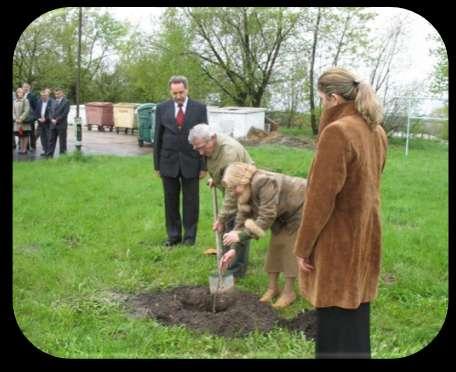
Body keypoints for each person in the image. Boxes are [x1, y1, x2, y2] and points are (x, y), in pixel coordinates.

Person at [293, 67, 388, 359]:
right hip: (365, 232)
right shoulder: (375, 129)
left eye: (322, 99)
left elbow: (320, 199)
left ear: (334, 98)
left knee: (334, 325)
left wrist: (303, 247)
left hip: (337, 239)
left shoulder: (338, 132)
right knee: (357, 315)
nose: (322, 105)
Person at [220, 162, 307, 309]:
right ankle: (273, 289)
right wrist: (233, 249)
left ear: (243, 180)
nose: (234, 192)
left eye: (235, 187)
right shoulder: (244, 190)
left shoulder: (264, 182)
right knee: (275, 248)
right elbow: (242, 218)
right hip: (281, 212)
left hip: (299, 206)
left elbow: (266, 216)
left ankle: (289, 292)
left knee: (289, 248)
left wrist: (241, 236)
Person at [188, 124, 253, 278]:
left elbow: (232, 191)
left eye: (202, 147)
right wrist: (216, 179)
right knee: (227, 228)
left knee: (236, 228)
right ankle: (228, 261)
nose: (201, 152)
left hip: (244, 191)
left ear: (212, 138)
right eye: (196, 149)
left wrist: (221, 218)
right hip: (233, 189)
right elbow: (221, 170)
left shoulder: (229, 152)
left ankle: (235, 270)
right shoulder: (211, 147)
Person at [153, 76, 208, 247]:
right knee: (170, 200)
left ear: (187, 90)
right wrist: (157, 165)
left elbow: (205, 137)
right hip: (168, 161)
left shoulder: (199, 108)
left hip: (191, 161)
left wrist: (203, 165)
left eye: (181, 92)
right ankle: (173, 235)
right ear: (171, 91)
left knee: (191, 201)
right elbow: (158, 137)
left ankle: (190, 237)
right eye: (174, 93)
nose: (178, 96)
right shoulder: (162, 108)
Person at [47, 88, 70, 158]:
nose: (57, 95)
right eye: (56, 94)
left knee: (62, 141)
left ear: (62, 93)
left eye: (58, 93)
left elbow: (65, 113)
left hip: (61, 125)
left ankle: (63, 156)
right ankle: (49, 156)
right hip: (53, 124)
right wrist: (51, 119)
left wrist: (57, 120)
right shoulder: (52, 101)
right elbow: (50, 111)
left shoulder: (66, 102)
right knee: (51, 140)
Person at [35, 89, 54, 156]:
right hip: (40, 123)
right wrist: (38, 118)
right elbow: (36, 111)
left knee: (49, 137)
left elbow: (52, 112)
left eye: (44, 96)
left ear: (47, 95)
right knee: (42, 137)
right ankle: (45, 150)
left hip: (48, 123)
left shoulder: (51, 102)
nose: (43, 97)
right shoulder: (39, 101)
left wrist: (46, 119)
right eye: (42, 96)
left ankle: (49, 152)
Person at [13, 87, 31, 154]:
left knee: (25, 135)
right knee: (20, 135)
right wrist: (15, 119)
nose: (20, 93)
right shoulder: (14, 101)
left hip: (23, 121)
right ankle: (21, 149)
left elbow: (26, 111)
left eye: (21, 92)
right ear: (17, 93)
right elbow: (13, 111)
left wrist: (21, 118)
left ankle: (24, 149)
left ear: (23, 93)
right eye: (18, 92)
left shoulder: (26, 100)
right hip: (17, 122)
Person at [22, 82, 38, 150]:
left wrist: (34, 117)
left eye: (26, 87)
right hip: (23, 117)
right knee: (24, 132)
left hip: (30, 117)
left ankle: (33, 146)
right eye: (24, 87)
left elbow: (35, 107)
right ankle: (26, 147)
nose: (25, 88)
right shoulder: (21, 95)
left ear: (29, 88)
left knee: (31, 132)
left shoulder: (33, 95)